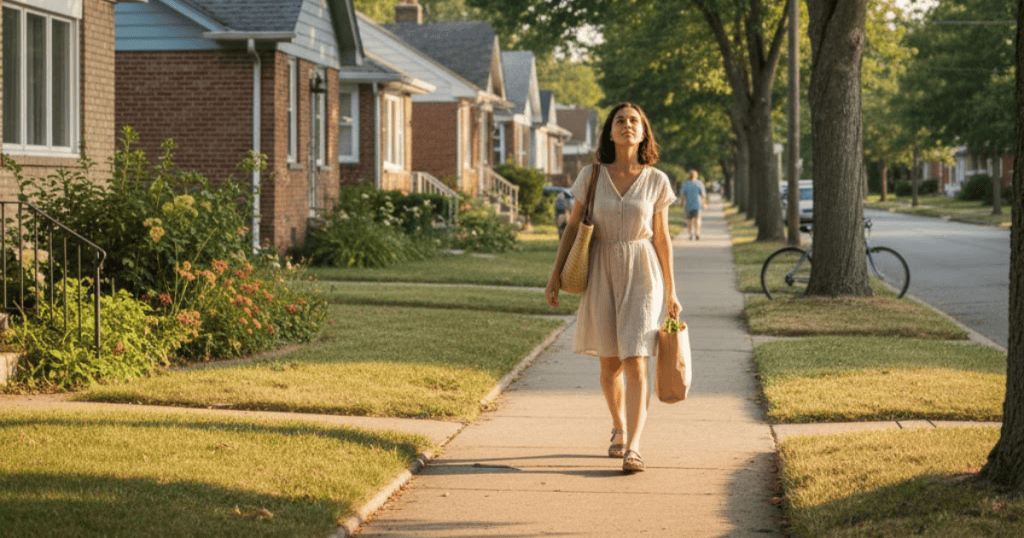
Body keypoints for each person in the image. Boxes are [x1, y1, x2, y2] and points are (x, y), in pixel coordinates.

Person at [545, 102, 680, 474]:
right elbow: (572, 227)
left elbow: (663, 238)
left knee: (636, 357)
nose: (626, 125)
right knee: (610, 365)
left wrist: (671, 291)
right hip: (600, 268)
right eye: (620, 120)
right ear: (609, 132)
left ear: (643, 132)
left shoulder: (656, 180)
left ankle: (634, 447)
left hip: (643, 272)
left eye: (634, 120)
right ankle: (618, 425)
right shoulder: (591, 175)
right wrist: (555, 274)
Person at [679, 169, 707, 240]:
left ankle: (691, 233)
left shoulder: (686, 184)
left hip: (688, 205)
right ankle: (697, 233)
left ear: (689, 176)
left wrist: (682, 203)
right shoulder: (699, 183)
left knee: (689, 220)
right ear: (696, 176)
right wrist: (704, 203)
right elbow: (703, 195)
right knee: (697, 219)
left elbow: (683, 195)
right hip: (698, 205)